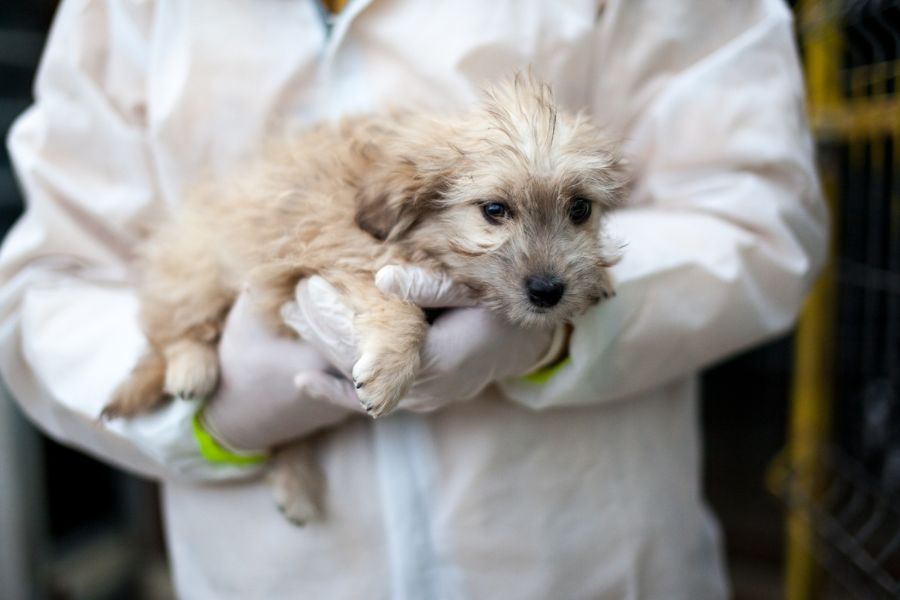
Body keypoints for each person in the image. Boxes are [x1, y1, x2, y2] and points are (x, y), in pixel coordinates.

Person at [0, 0, 827, 597]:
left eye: (577, 209)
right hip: (276, 567)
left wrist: (563, 336)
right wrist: (215, 418)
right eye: (497, 212)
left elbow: (754, 211)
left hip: (579, 559)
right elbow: (53, 281)